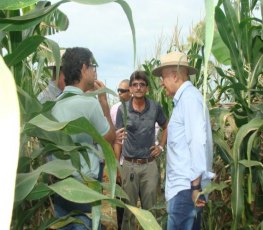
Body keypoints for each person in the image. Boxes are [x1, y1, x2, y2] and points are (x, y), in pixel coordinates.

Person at [51, 47, 116, 230]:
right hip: (83, 188)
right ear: (83, 68)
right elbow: (110, 137)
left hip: (60, 187)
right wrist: (103, 102)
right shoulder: (89, 104)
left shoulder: (54, 105)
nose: (95, 71)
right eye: (92, 66)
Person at [152, 51, 214, 229]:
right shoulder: (186, 100)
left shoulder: (189, 100)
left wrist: (195, 188)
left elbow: (197, 143)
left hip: (186, 190)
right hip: (185, 190)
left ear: (174, 76)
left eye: (163, 77)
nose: (161, 83)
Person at [115, 70, 168, 229]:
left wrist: (160, 146)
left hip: (149, 165)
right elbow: (118, 140)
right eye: (135, 85)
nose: (138, 88)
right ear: (130, 89)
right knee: (128, 212)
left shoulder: (155, 108)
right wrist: (117, 167)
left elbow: (166, 127)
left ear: (147, 89)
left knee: (151, 212)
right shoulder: (122, 109)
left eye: (142, 85)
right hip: (129, 166)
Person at [110, 79, 131, 230]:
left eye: (122, 91)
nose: (119, 93)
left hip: (132, 164)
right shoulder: (114, 109)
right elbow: (113, 137)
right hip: (120, 161)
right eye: (118, 90)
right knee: (120, 203)